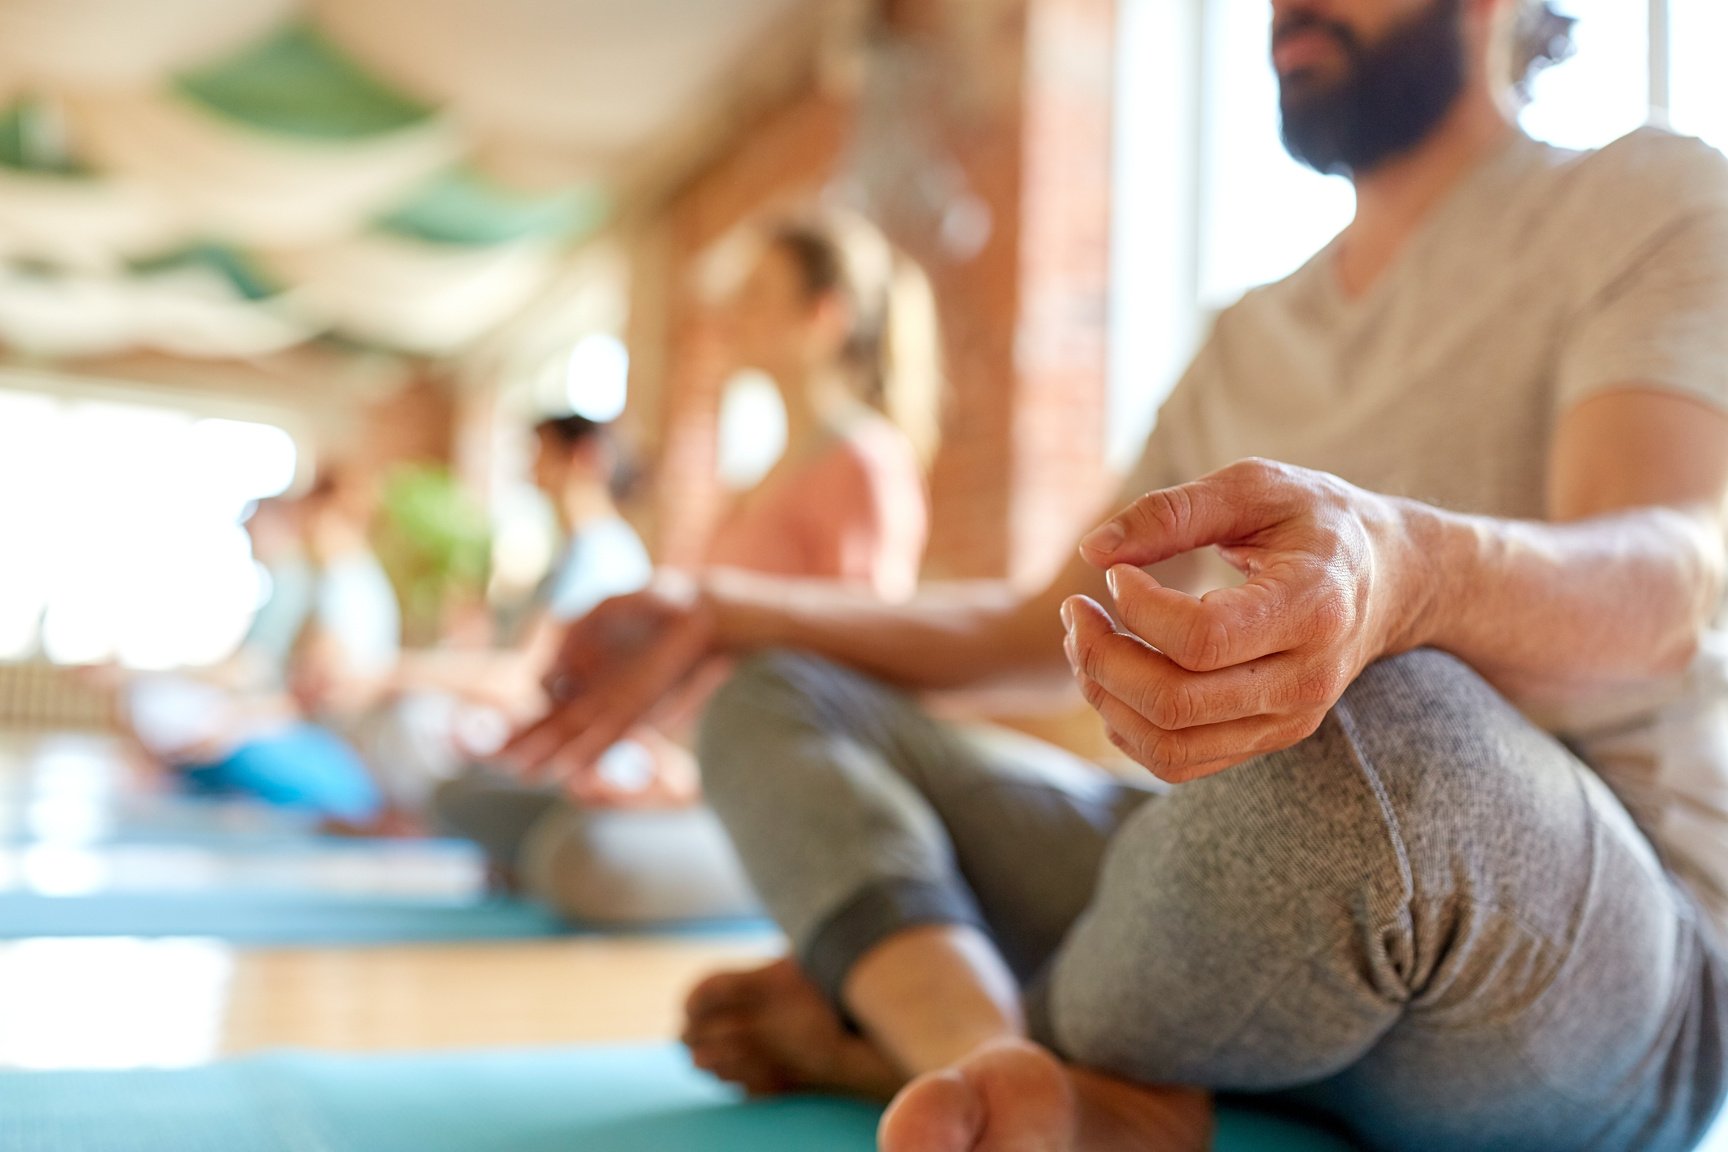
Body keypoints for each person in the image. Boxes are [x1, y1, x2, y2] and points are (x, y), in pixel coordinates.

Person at [504, 1, 1728, 1149]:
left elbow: (1671, 576)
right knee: (776, 690)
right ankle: (991, 1071)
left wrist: (1416, 572)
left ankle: (901, 1014)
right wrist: (719, 611)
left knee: (1386, 717)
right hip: (1231, 915)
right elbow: (1038, 622)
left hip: (1574, 959)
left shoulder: (1644, 197)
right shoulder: (1250, 334)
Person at [440, 209, 942, 924]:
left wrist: (695, 786)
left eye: (758, 293)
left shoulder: (866, 460)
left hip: (784, 793)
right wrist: (636, 747)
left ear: (824, 316)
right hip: (702, 766)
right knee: (470, 796)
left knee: (580, 857)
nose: (732, 312)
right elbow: (699, 658)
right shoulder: (750, 483)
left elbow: (865, 679)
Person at [353, 414, 655, 817]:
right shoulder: (577, 551)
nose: (530, 467)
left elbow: (523, 678)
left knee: (412, 720)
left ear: (583, 457)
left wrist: (398, 672)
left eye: (540, 454)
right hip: (556, 733)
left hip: (587, 752)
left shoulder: (601, 554)